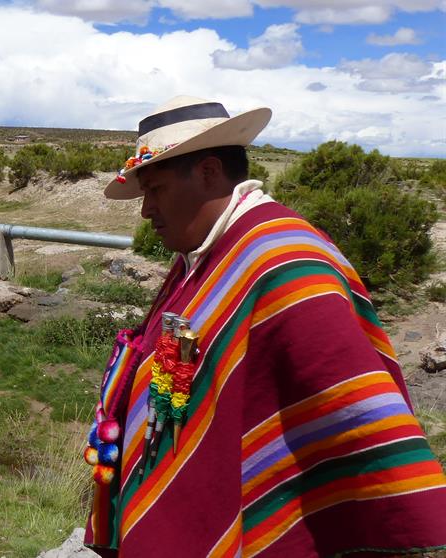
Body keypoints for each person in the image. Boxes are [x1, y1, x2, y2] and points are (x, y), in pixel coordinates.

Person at [82, 96, 446, 557]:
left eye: (155, 190)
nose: (145, 210)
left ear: (209, 172)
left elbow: (349, 398)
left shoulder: (284, 261)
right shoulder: (206, 253)